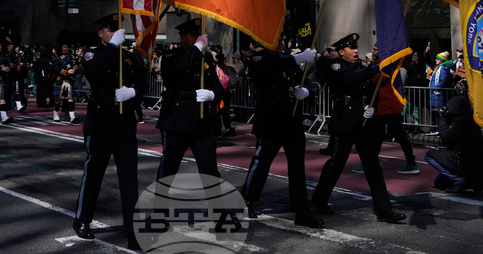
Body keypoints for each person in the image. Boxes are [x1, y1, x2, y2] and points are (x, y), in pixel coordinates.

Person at [310, 33, 406, 224]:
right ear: (340, 51)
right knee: (336, 163)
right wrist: (376, 69)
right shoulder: (335, 66)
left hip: (363, 123)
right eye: (351, 48)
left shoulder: (361, 67)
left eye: (356, 47)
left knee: (372, 165)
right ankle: (319, 200)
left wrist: (373, 108)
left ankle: (384, 209)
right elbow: (349, 79)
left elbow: (371, 91)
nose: (355, 50)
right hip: (345, 121)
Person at [72, 13, 147, 251]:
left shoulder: (129, 57)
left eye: (115, 30)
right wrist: (113, 46)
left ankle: (133, 231)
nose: (113, 33)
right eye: (108, 30)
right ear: (100, 33)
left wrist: (133, 92)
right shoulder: (93, 53)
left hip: (124, 123)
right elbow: (93, 72)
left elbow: (143, 80)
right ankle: (83, 219)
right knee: (94, 173)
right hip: (100, 122)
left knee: (129, 179)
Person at [241, 33, 323, 228]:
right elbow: (270, 67)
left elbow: (305, 80)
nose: (280, 43)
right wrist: (298, 57)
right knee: (262, 162)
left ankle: (301, 211)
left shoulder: (287, 60)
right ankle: (247, 201)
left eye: (282, 40)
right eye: (276, 39)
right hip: (271, 121)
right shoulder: (259, 59)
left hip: (291, 120)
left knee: (297, 168)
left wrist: (306, 91)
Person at [156, 18, 226, 180]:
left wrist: (212, 94)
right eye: (193, 35)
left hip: (202, 122)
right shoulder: (171, 56)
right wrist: (197, 48)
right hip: (177, 122)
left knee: (210, 173)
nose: (198, 39)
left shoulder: (206, 58)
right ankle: (161, 205)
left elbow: (219, 85)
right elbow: (178, 70)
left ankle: (216, 206)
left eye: (199, 35)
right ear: (182, 38)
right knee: (168, 171)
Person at [425, 94, 483, 192]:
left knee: (429, 155)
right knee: (438, 183)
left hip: (464, 162)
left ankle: (458, 179)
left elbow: (445, 138)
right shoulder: (471, 119)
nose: (447, 111)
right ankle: (466, 181)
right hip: (478, 168)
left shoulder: (460, 122)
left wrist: (442, 119)